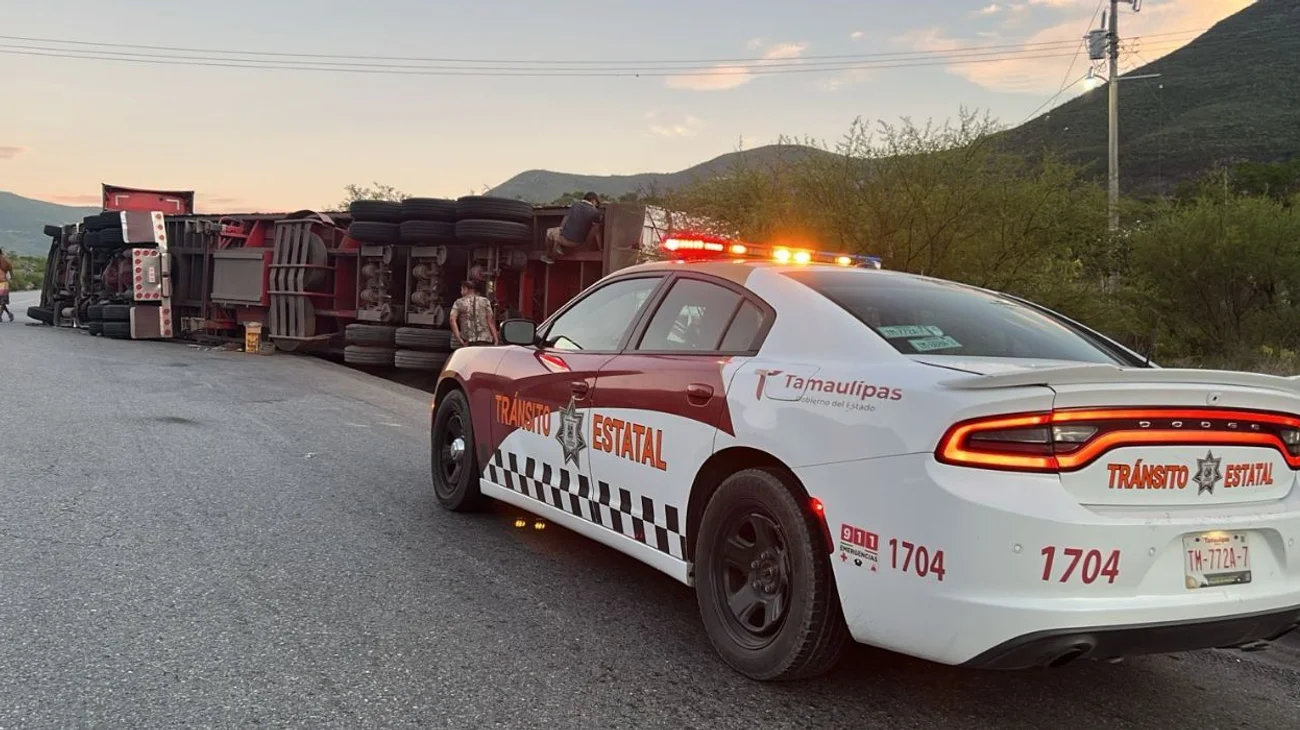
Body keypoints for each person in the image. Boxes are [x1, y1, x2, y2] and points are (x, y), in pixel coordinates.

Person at [542, 192, 603, 264]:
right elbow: (597, 231)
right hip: (579, 242)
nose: (596, 205)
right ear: (593, 200)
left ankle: (549, 257)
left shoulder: (575, 205)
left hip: (568, 240)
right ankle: (561, 247)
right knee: (561, 231)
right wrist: (600, 248)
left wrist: (562, 230)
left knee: (549, 231)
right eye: (596, 203)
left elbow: (566, 220)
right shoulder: (595, 213)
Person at [450, 279, 499, 347]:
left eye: (462, 289)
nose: (461, 292)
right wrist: (496, 339)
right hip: (485, 339)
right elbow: (490, 321)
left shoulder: (459, 302)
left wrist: (459, 338)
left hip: (468, 340)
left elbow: (452, 320)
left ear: (466, 289)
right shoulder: (485, 301)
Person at [0, 249, 12, 323]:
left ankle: (0, 316)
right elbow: (11, 269)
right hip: (4, 283)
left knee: (2, 301)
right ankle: (9, 314)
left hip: (3, 283)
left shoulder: (4, 260)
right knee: (2, 301)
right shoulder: (6, 261)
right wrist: (11, 278)